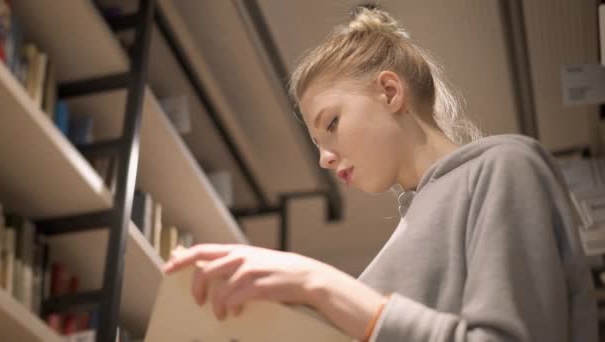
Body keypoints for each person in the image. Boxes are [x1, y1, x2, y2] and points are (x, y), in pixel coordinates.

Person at [163, 7, 598, 342]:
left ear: (390, 91)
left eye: (331, 124)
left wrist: (321, 285)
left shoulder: (503, 166)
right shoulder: (395, 250)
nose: (324, 160)